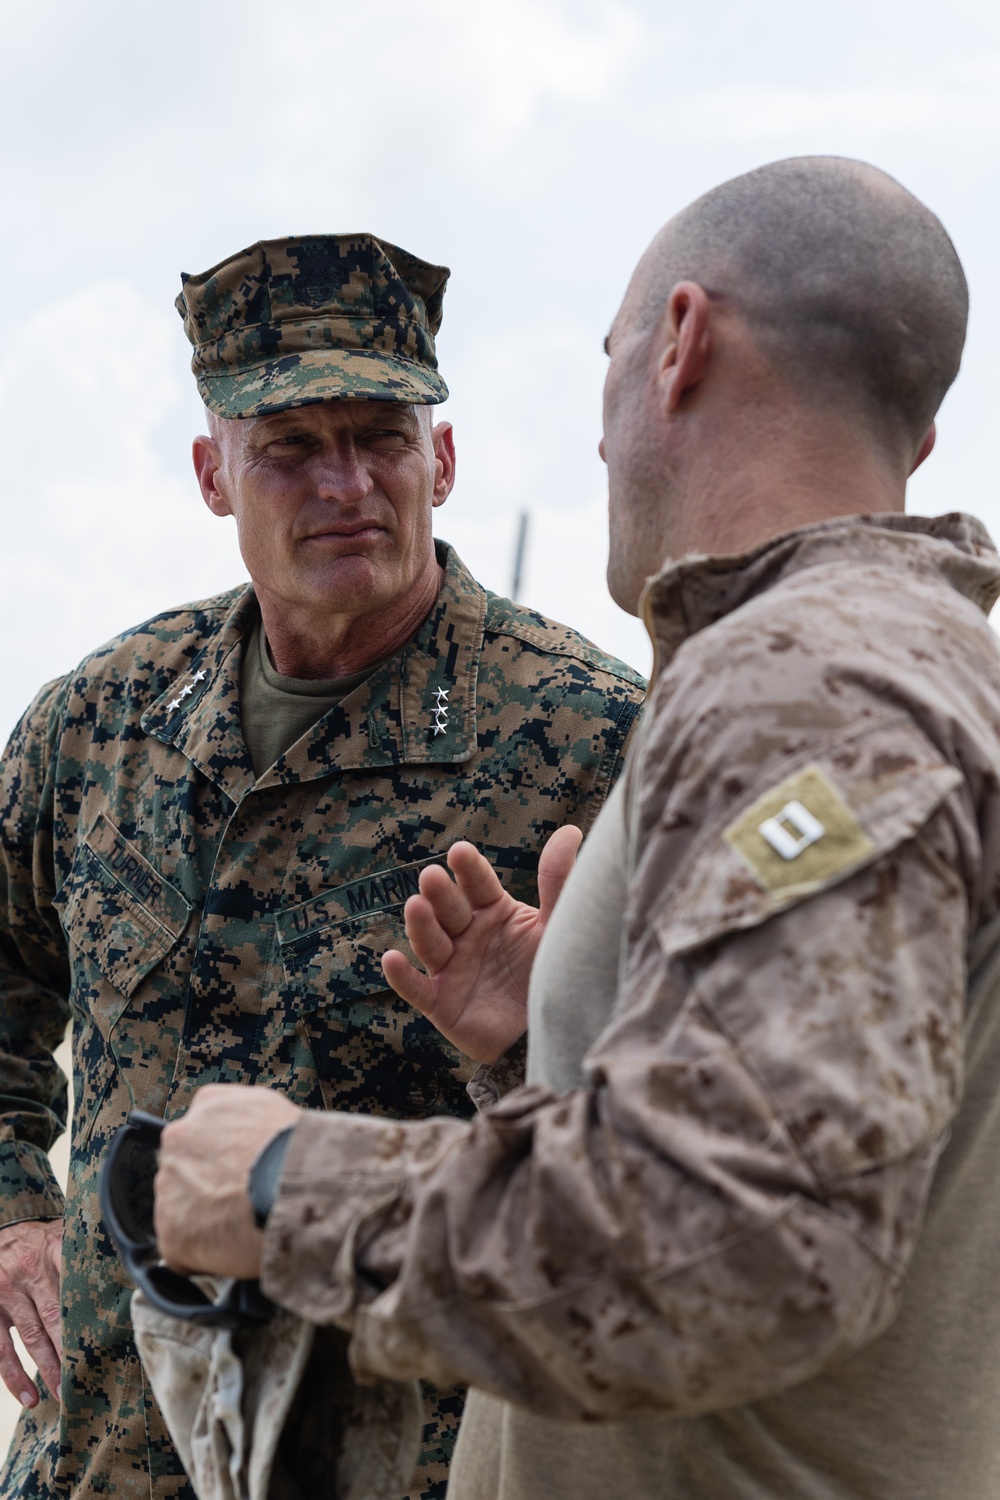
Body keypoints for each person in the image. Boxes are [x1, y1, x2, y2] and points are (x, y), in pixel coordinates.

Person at [152, 158, 1000, 1500]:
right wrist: (560, 1039)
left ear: (679, 344)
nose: (603, 439)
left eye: (606, 366)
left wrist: (278, 1186)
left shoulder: (810, 685)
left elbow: (743, 1252)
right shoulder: (866, 670)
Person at [0, 233, 645, 1499]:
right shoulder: (102, 725)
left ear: (442, 462)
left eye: (382, 437)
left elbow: (676, 1138)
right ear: (212, 476)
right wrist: (12, 1200)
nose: (344, 482)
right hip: (112, 1451)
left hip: (415, 1457)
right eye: (291, 448)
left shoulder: (593, 739)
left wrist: (520, 1043)